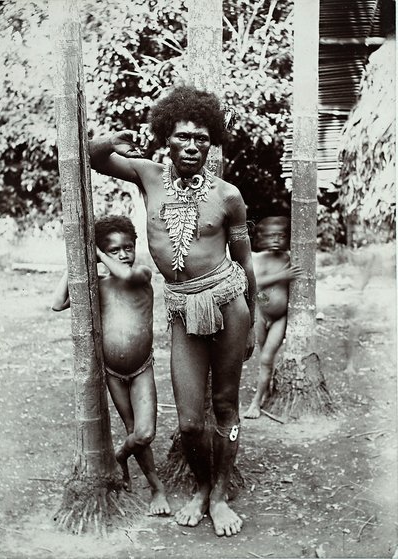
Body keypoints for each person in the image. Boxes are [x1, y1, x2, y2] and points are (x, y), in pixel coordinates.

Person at [88, 85, 256, 537]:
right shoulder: (149, 175)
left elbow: (245, 262)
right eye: (183, 135)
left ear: (211, 141)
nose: (192, 145)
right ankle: (202, 486)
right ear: (168, 137)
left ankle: (217, 495)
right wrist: (113, 138)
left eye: (201, 137)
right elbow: (94, 157)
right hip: (184, 309)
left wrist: (253, 318)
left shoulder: (228, 196)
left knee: (225, 407)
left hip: (229, 304)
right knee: (187, 421)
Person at [52, 215, 170, 516]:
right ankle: (157, 488)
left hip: (142, 367)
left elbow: (128, 276)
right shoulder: (98, 285)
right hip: (113, 373)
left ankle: (119, 456)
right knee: (133, 429)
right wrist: (81, 260)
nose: (123, 255)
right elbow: (58, 303)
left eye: (127, 248)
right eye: (114, 250)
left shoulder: (142, 274)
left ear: (135, 247)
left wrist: (100, 254)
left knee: (144, 433)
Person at [244, 216, 302, 419]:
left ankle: (256, 403)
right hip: (261, 314)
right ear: (262, 238)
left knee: (267, 358)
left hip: (280, 317)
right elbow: (254, 283)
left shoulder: (289, 258)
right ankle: (266, 389)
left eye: (281, 236)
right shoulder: (259, 258)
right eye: (271, 236)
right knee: (262, 357)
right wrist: (282, 276)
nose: (276, 240)